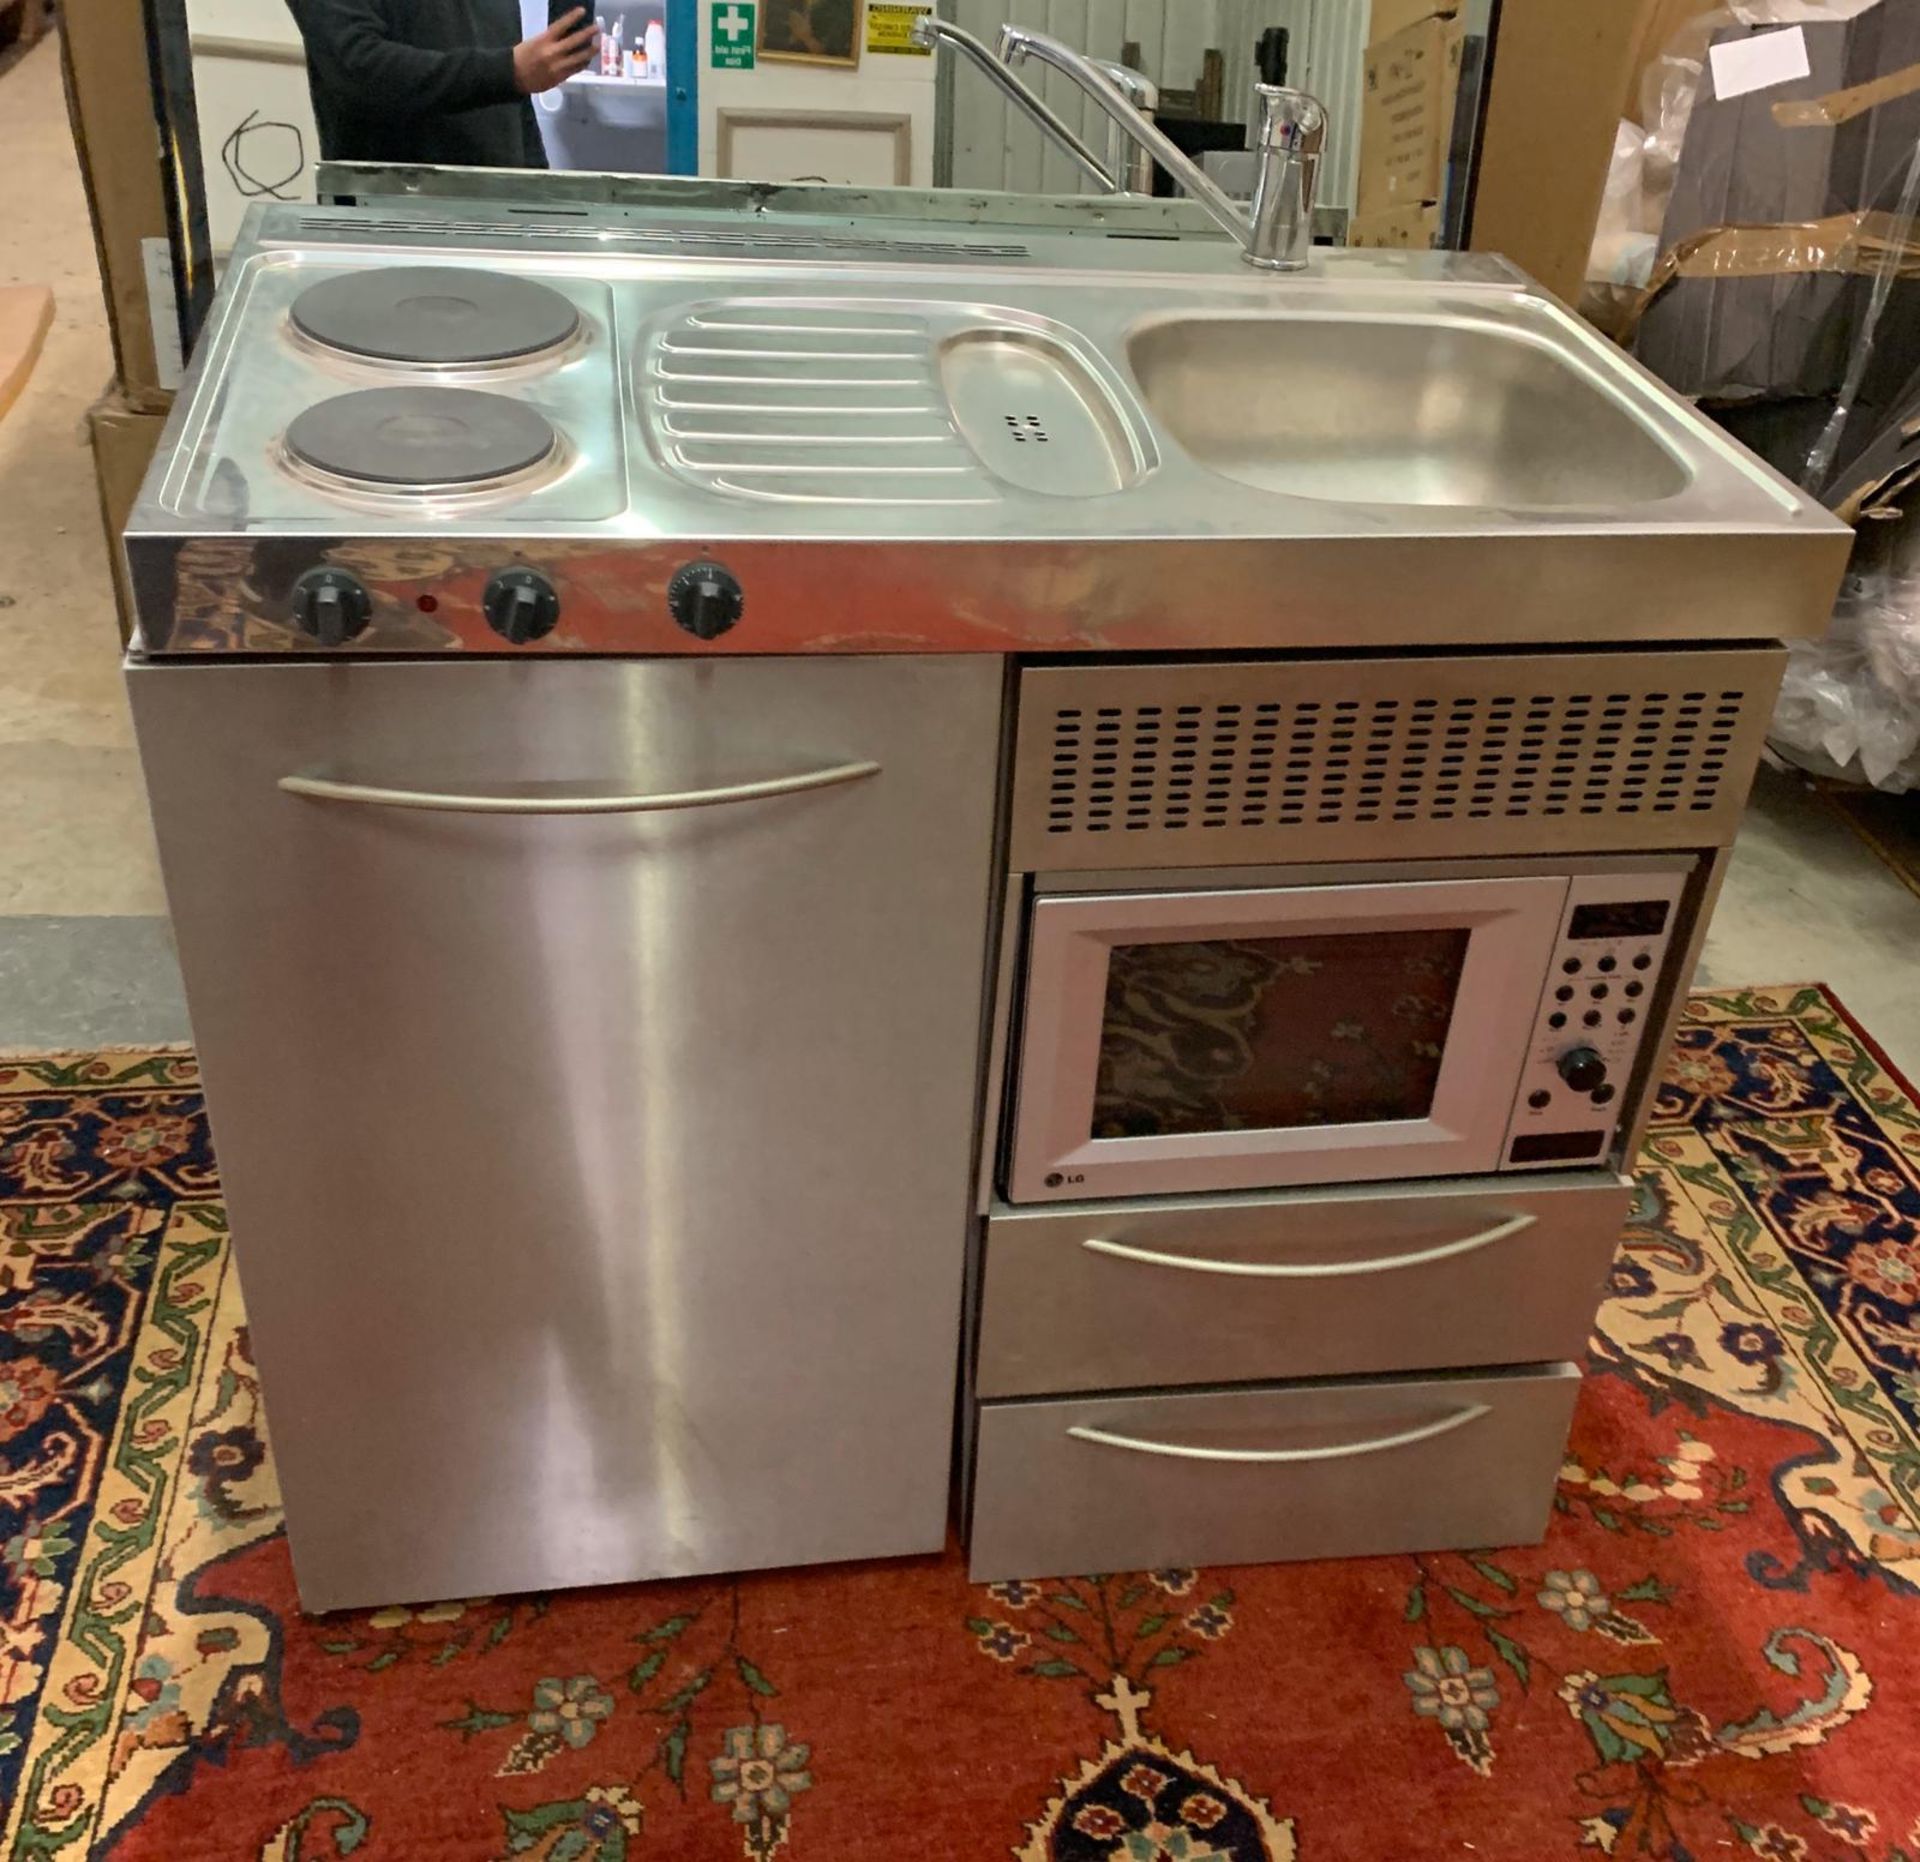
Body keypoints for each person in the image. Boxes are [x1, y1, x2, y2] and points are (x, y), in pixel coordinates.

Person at [288, 1, 599, 170]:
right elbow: (359, 68)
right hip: (389, 213)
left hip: (500, 204)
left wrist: (535, 186)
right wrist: (508, 71)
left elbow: (512, 99)